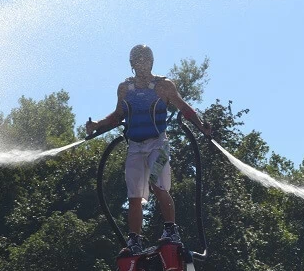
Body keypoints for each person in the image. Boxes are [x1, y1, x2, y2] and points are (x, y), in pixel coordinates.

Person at [87, 45, 211, 254]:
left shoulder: (163, 86)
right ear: (132, 64)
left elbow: (184, 108)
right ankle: (134, 240)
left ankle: (171, 230)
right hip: (135, 147)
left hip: (158, 144)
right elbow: (118, 115)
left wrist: (202, 127)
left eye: (145, 59)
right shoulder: (125, 88)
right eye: (137, 60)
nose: (141, 63)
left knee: (157, 183)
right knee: (134, 195)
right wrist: (97, 124)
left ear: (151, 62)